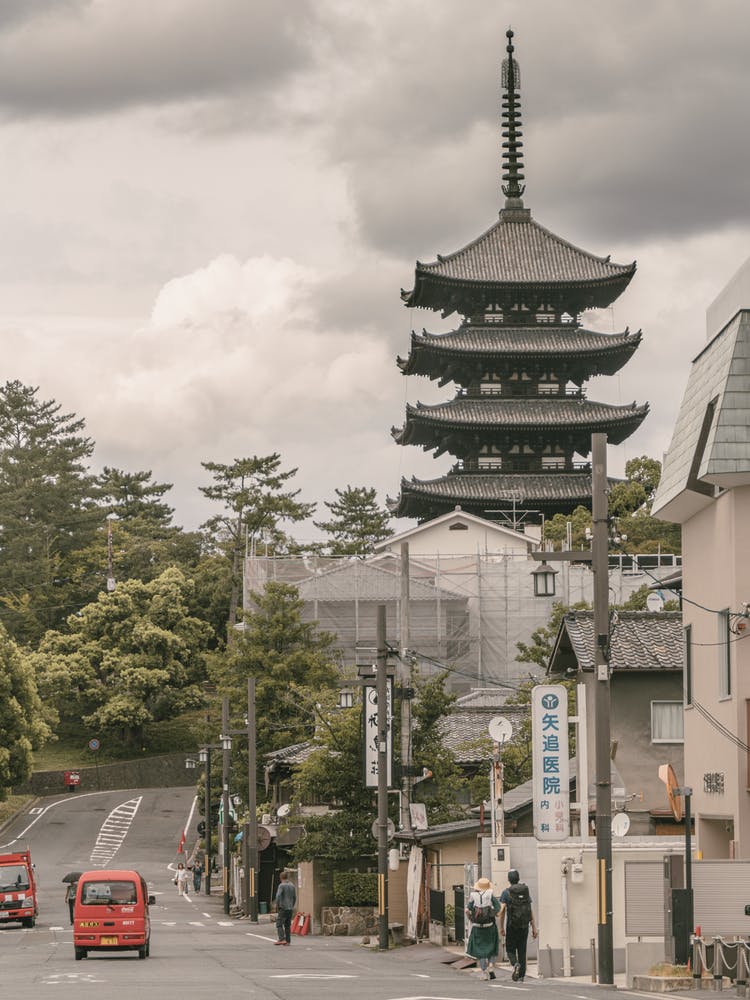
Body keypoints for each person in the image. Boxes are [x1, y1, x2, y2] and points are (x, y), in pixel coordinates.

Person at [499, 869, 537, 982]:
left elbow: (502, 912)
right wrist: (534, 927)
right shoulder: (525, 892)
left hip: (512, 926)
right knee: (522, 951)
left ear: (508, 879)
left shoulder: (506, 892)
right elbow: (530, 910)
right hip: (524, 926)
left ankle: (515, 964)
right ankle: (521, 976)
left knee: (510, 949)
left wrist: (501, 927)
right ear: (518, 878)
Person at [465, 876, 500, 980]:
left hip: (477, 928)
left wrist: (471, 916)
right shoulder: (490, 895)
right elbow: (498, 908)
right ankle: (491, 966)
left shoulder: (473, 896)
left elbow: (468, 909)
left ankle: (484, 973)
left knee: (481, 951)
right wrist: (492, 914)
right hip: (490, 926)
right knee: (491, 947)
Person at [274, 870, 297, 945]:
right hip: (290, 908)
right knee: (287, 925)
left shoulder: (281, 885)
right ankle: (288, 941)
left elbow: (278, 896)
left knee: (279, 923)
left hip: (283, 907)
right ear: (287, 877)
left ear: (280, 878)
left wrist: (277, 905)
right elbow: (294, 897)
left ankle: (281, 939)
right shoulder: (292, 885)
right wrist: (292, 905)